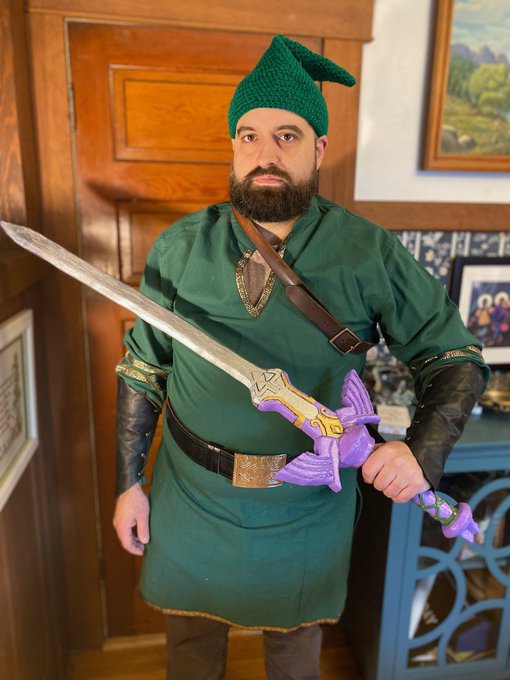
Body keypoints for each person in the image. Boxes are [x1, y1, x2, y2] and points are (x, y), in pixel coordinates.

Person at [113, 35, 488, 680]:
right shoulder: (179, 247)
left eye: (286, 137)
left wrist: (420, 452)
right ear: (233, 146)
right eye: (249, 136)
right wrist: (129, 482)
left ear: (318, 148)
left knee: (293, 661)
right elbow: (143, 370)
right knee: (191, 655)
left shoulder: (366, 251)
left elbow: (454, 356)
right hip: (192, 493)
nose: (265, 155)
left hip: (308, 502)